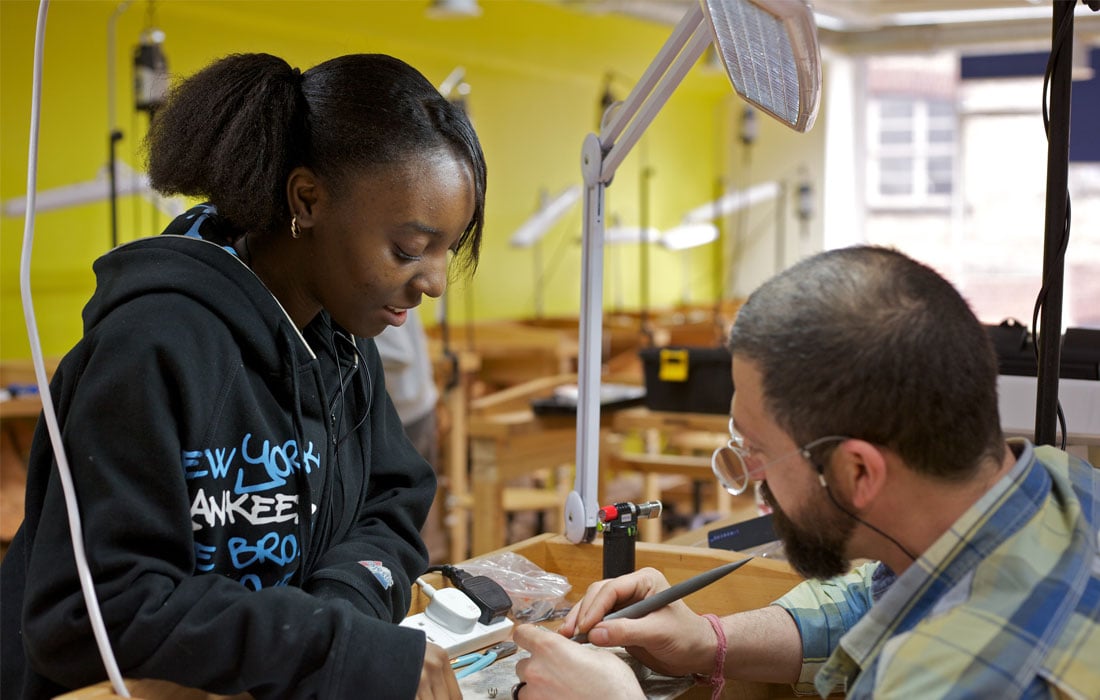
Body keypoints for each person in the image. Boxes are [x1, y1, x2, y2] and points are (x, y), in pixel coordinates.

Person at [0, 51, 486, 700]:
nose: (430, 282)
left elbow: (391, 500)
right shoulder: (150, 348)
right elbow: (96, 613)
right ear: (307, 200)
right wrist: (333, 647)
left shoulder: (343, 339)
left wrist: (340, 612)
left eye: (443, 253)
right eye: (407, 249)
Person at [511, 246, 1098, 699]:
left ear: (858, 471)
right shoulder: (1055, 484)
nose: (754, 481)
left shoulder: (949, 679)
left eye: (760, 452)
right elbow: (873, 603)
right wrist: (708, 641)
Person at [375, 311, 448, 563]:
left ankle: (415, 575)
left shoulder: (378, 292)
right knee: (414, 507)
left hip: (410, 411)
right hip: (416, 405)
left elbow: (400, 354)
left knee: (410, 508)